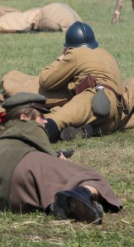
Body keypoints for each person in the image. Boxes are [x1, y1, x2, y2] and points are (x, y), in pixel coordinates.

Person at [0, 93, 122, 223]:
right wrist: (58, 160)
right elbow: (46, 156)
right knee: (90, 176)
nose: (45, 121)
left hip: (8, 196)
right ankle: (81, 195)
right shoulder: (31, 129)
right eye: (41, 116)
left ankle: (57, 206)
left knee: (35, 190)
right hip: (25, 164)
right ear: (24, 117)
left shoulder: (6, 134)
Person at [37, 22, 125, 143]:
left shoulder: (76, 53)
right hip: (116, 113)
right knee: (75, 113)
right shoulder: (106, 54)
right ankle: (85, 130)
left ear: (69, 46)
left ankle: (47, 130)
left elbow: (46, 80)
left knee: (59, 118)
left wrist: (61, 57)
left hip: (96, 99)